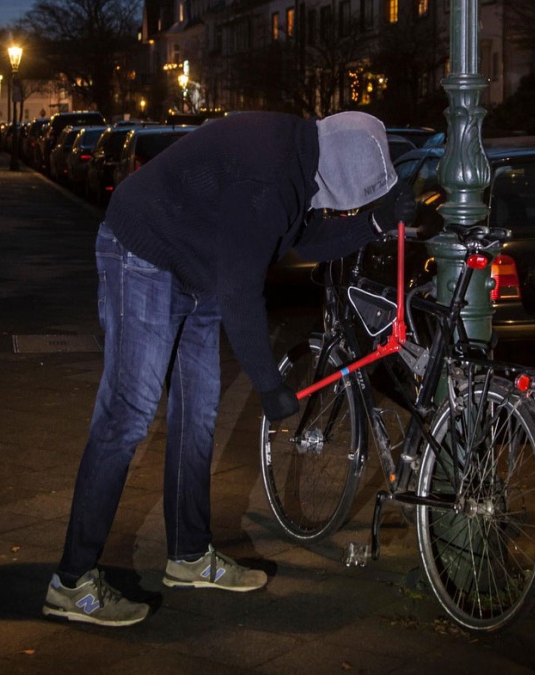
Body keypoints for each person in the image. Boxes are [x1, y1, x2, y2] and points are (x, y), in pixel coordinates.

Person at [42, 111, 416, 627]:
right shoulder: (269, 178)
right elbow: (242, 294)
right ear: (340, 175)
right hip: (143, 252)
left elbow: (300, 241)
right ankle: (72, 581)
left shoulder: (298, 157)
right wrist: (270, 385)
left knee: (197, 416)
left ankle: (189, 556)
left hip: (200, 268)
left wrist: (374, 224)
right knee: (128, 412)